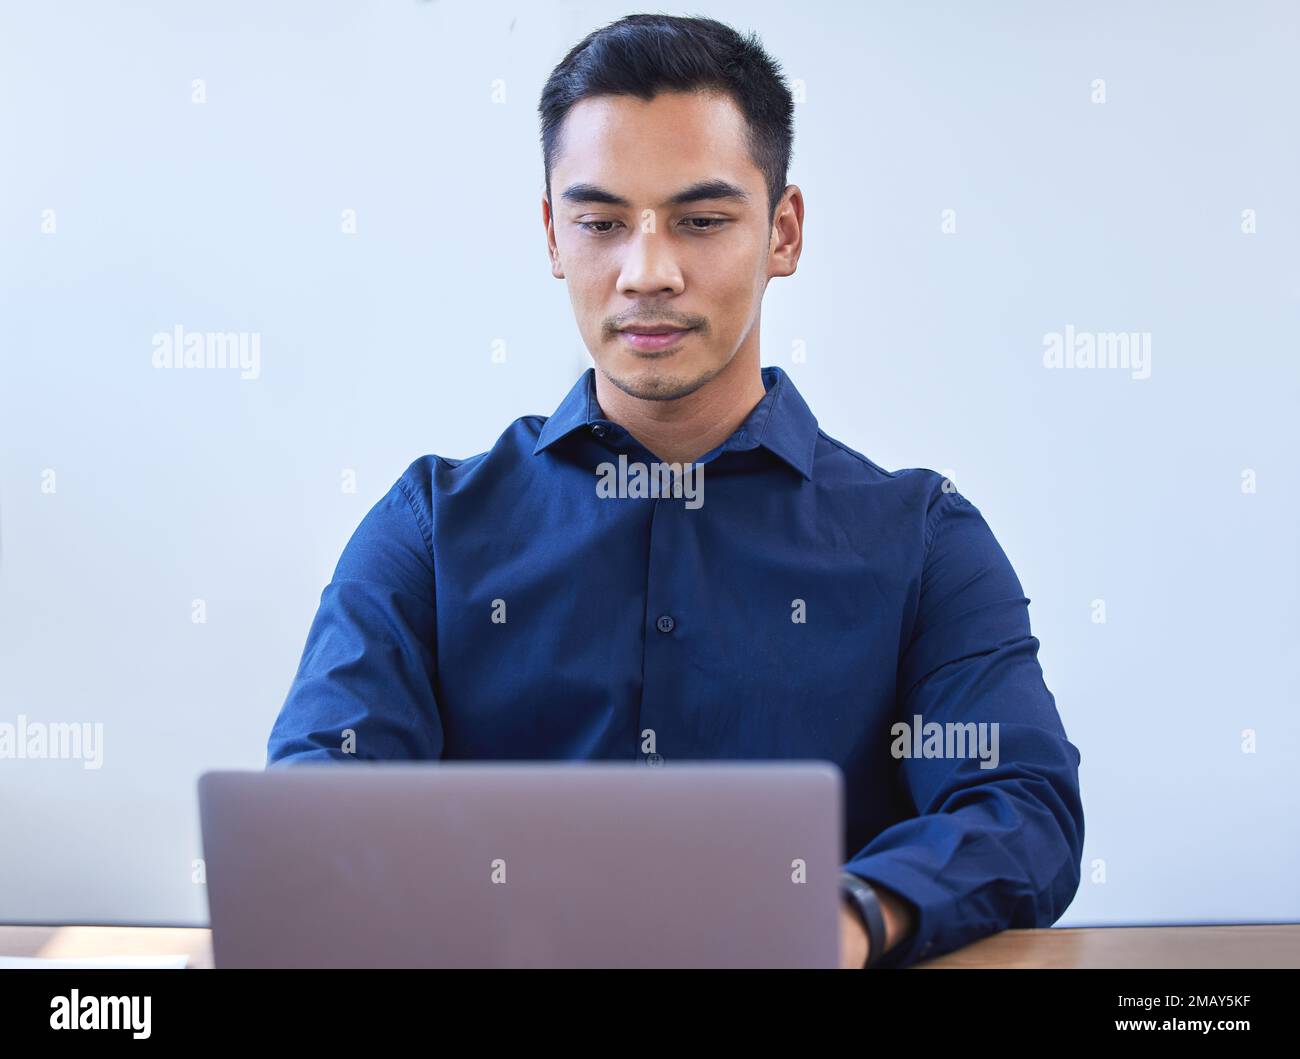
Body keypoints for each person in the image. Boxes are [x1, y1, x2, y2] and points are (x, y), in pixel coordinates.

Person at [266, 13, 1084, 969]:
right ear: (552, 236)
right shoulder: (430, 530)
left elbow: (1019, 805)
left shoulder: (922, 540)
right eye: (602, 222)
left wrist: (852, 913)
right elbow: (319, 807)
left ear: (783, 232)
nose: (647, 272)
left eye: (701, 220)